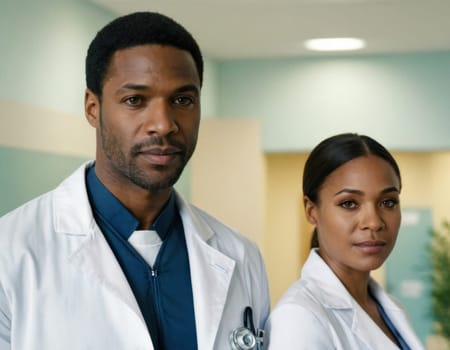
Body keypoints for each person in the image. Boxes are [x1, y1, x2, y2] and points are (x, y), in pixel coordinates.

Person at [0, 12, 269, 350]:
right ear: (92, 108)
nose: (163, 124)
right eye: (135, 100)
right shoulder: (10, 254)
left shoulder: (241, 256)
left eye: (182, 100)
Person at [264, 133, 424, 349]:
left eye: (387, 202)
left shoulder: (390, 309)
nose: (374, 222)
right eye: (349, 203)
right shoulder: (298, 317)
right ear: (311, 211)